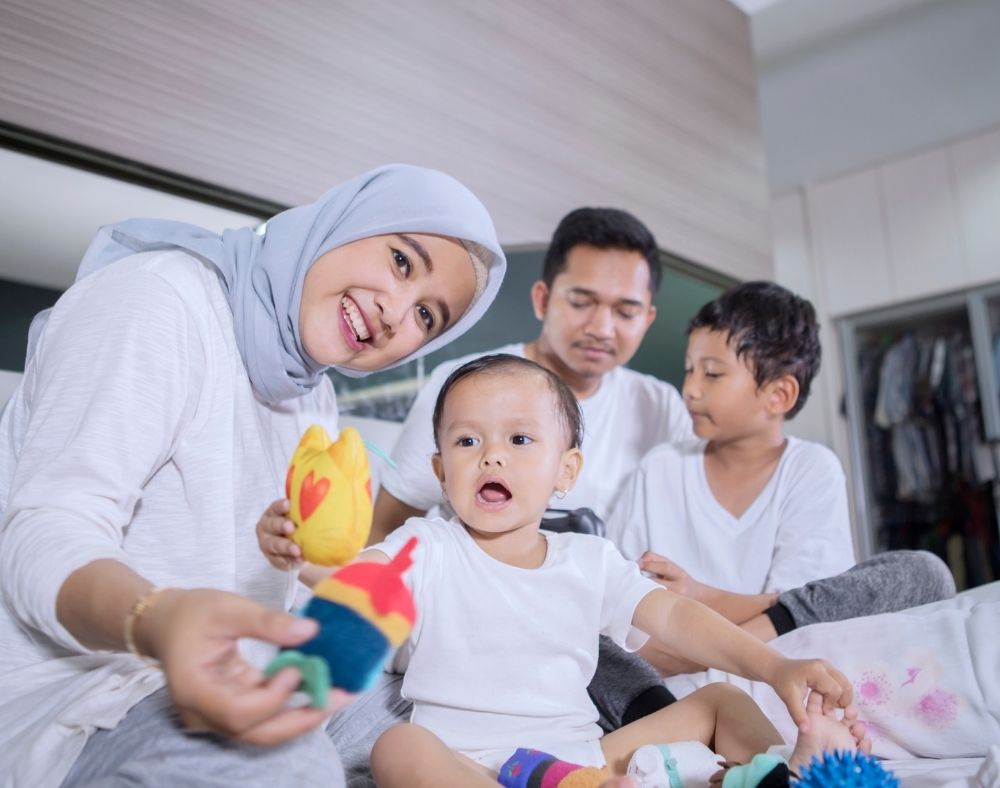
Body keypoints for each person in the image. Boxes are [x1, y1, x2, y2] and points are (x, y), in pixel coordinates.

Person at [0, 164, 506, 788]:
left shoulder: (307, 395)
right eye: (402, 261)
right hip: (82, 694)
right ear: (345, 223)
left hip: (239, 671)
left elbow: (259, 582)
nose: (396, 312)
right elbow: (43, 533)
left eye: (428, 316)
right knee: (290, 765)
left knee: (446, 710)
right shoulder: (160, 299)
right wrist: (155, 619)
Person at [259, 354, 869, 787]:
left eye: (520, 440)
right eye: (468, 443)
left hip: (582, 765)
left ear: (566, 471)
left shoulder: (590, 560)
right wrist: (301, 554)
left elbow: (678, 617)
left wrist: (776, 665)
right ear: (442, 473)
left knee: (719, 701)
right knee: (397, 748)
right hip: (471, 766)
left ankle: (790, 779)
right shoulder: (428, 546)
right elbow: (358, 581)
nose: (492, 453)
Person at [604, 282, 956, 677]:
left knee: (923, 572)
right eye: (689, 369)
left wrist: (697, 597)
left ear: (779, 395)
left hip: (780, 668)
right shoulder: (660, 468)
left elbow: (813, 611)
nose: (690, 389)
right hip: (669, 677)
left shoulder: (811, 469)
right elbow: (616, 600)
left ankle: (712, 658)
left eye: (713, 374)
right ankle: (712, 663)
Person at [367, 206, 692, 543]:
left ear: (647, 320)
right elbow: (386, 528)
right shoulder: (463, 386)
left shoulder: (661, 408)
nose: (602, 329)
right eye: (582, 303)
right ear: (543, 300)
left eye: (626, 312)